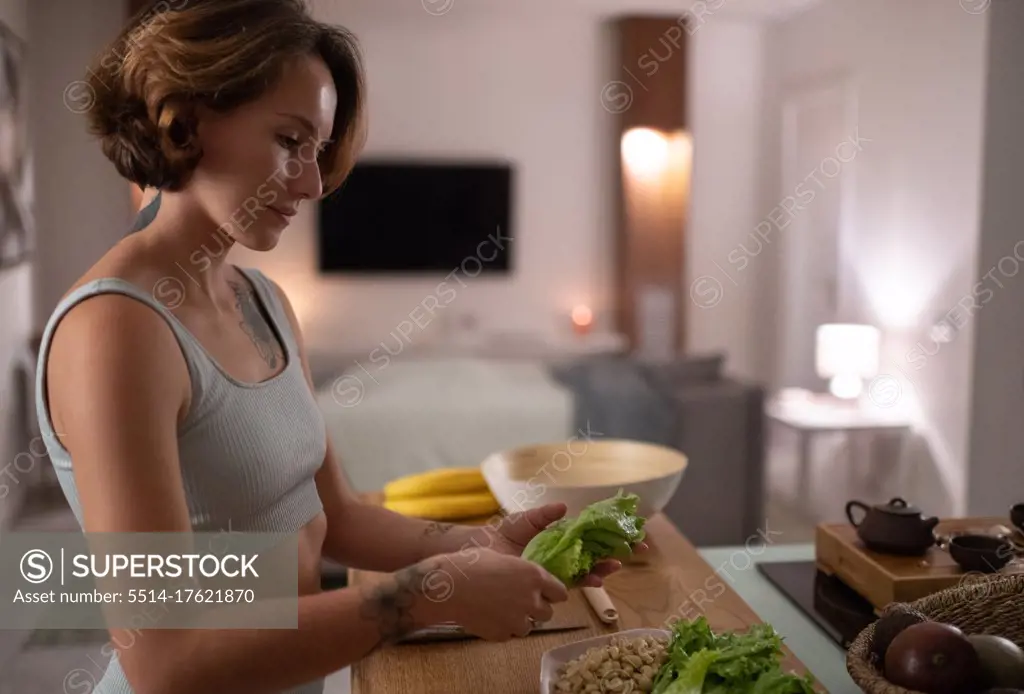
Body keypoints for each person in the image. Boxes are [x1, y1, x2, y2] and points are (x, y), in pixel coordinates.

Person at [35, 2, 642, 693]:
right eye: (290, 140)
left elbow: (336, 520)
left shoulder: (262, 302)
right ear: (188, 117)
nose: (314, 183)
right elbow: (166, 660)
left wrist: (484, 545)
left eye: (318, 150)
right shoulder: (117, 328)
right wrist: (426, 594)